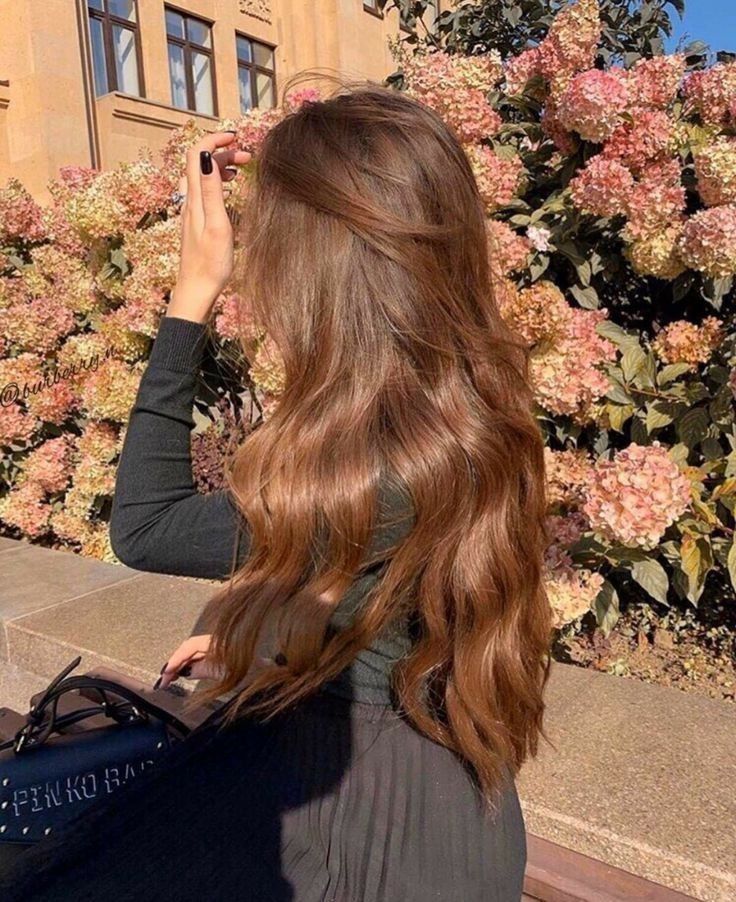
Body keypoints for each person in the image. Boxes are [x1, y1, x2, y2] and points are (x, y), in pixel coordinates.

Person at [0, 79, 552, 901]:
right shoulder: (473, 420)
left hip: (361, 825)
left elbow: (145, 525)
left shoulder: (368, 472)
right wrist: (256, 639)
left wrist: (192, 292)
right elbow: (385, 597)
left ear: (316, 273)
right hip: (451, 803)